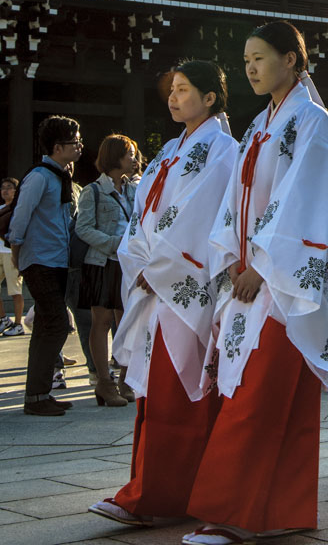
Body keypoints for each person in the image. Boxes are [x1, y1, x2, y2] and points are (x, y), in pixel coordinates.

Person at [182, 21, 328, 545]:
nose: (251, 68)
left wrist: (261, 266)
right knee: (275, 397)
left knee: (259, 395)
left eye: (260, 57)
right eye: (246, 60)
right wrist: (231, 260)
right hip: (252, 276)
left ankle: (231, 514)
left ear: (293, 60)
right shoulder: (262, 124)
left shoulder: (309, 120)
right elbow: (234, 204)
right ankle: (285, 509)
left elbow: (303, 201)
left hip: (279, 278)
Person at [89, 61, 238, 529]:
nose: (173, 98)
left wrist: (163, 268)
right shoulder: (171, 150)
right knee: (156, 394)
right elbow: (141, 215)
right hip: (158, 282)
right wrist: (140, 262)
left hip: (186, 285)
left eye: (184, 89)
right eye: (171, 91)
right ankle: (152, 490)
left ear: (211, 97)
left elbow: (203, 216)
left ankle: (161, 496)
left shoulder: (223, 150)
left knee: (180, 391)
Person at [7, 115, 83, 416]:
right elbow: (21, 216)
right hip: (39, 260)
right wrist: (16, 252)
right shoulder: (39, 176)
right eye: (74, 141)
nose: (80, 146)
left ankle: (38, 395)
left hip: (56, 260)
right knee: (56, 323)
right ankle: (37, 395)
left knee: (44, 326)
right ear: (57, 146)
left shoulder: (61, 175)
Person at [75, 133, 137, 406]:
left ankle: (125, 379)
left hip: (127, 263)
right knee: (101, 322)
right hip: (101, 263)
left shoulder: (134, 189)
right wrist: (114, 243)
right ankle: (104, 381)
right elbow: (83, 228)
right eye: (130, 154)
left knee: (127, 322)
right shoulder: (93, 191)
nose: (134, 159)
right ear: (115, 158)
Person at [0, 177, 24, 337]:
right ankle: (3, 319)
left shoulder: (19, 209)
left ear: (16, 191)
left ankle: (18, 324)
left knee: (15, 290)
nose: (5, 190)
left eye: (9, 187)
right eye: (3, 188)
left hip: (11, 253)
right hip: (0, 252)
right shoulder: (1, 208)